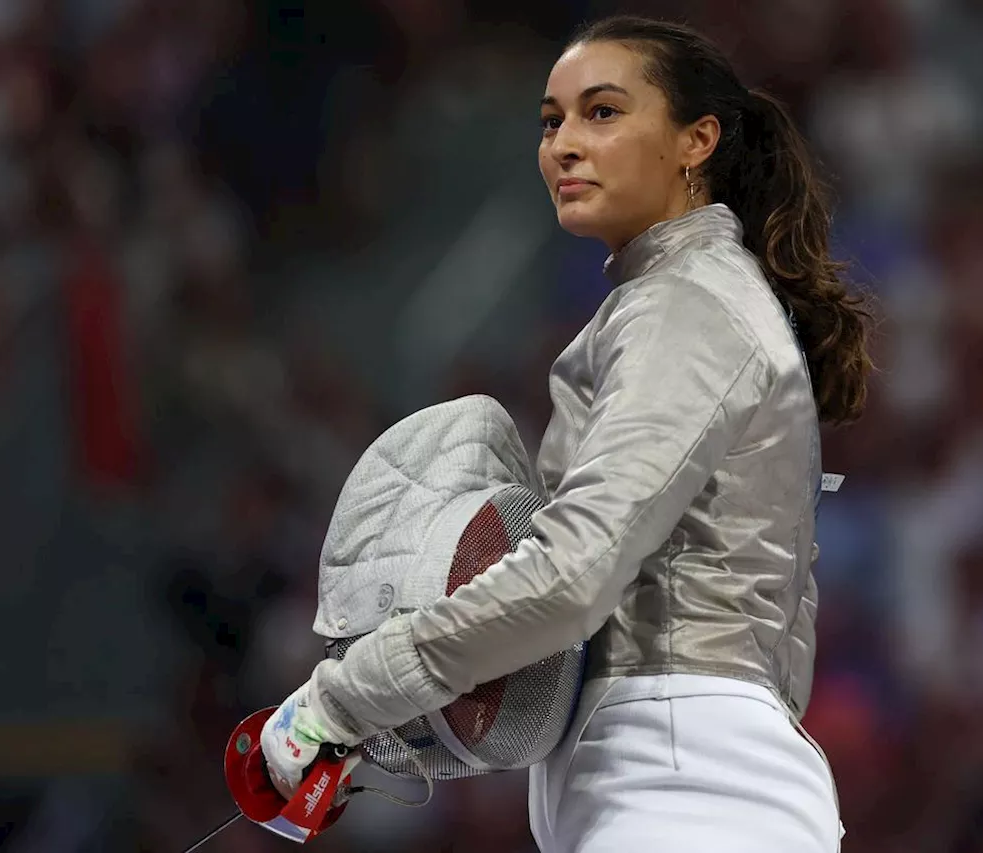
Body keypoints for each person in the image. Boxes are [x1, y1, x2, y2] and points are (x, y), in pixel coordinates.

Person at [261, 15, 872, 853]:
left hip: (687, 785)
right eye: (552, 122)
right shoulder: (666, 300)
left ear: (696, 141)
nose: (565, 145)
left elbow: (574, 572)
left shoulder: (685, 306)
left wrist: (348, 693)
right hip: (676, 780)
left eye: (604, 113)